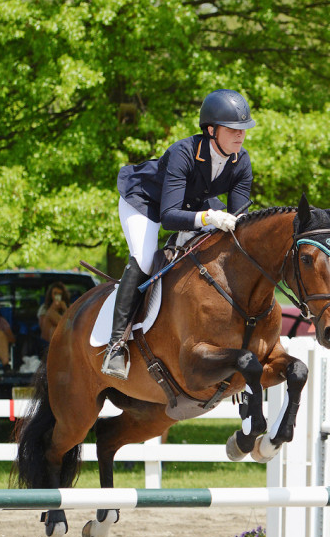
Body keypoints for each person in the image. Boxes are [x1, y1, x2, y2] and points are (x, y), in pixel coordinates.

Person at [102, 88, 256, 380]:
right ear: (211, 130)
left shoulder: (241, 161)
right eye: (233, 129)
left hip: (193, 203)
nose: (240, 135)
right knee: (145, 259)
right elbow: (170, 217)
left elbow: (239, 222)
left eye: (243, 129)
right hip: (147, 202)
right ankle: (116, 346)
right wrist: (209, 216)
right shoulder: (182, 153)